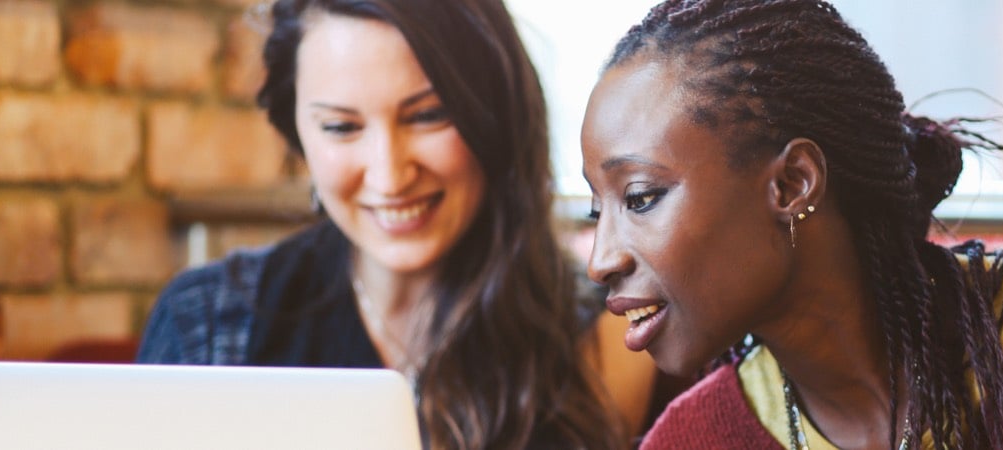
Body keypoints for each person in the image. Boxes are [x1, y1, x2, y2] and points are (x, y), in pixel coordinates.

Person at [138, 0, 637, 448]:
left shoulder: (599, 333)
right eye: (341, 127)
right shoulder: (206, 324)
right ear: (298, 136)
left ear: (494, 116)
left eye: (428, 116)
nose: (390, 175)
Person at [581, 0, 1003, 448]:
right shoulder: (692, 439)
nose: (601, 262)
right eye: (596, 211)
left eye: (640, 198)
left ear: (793, 184)